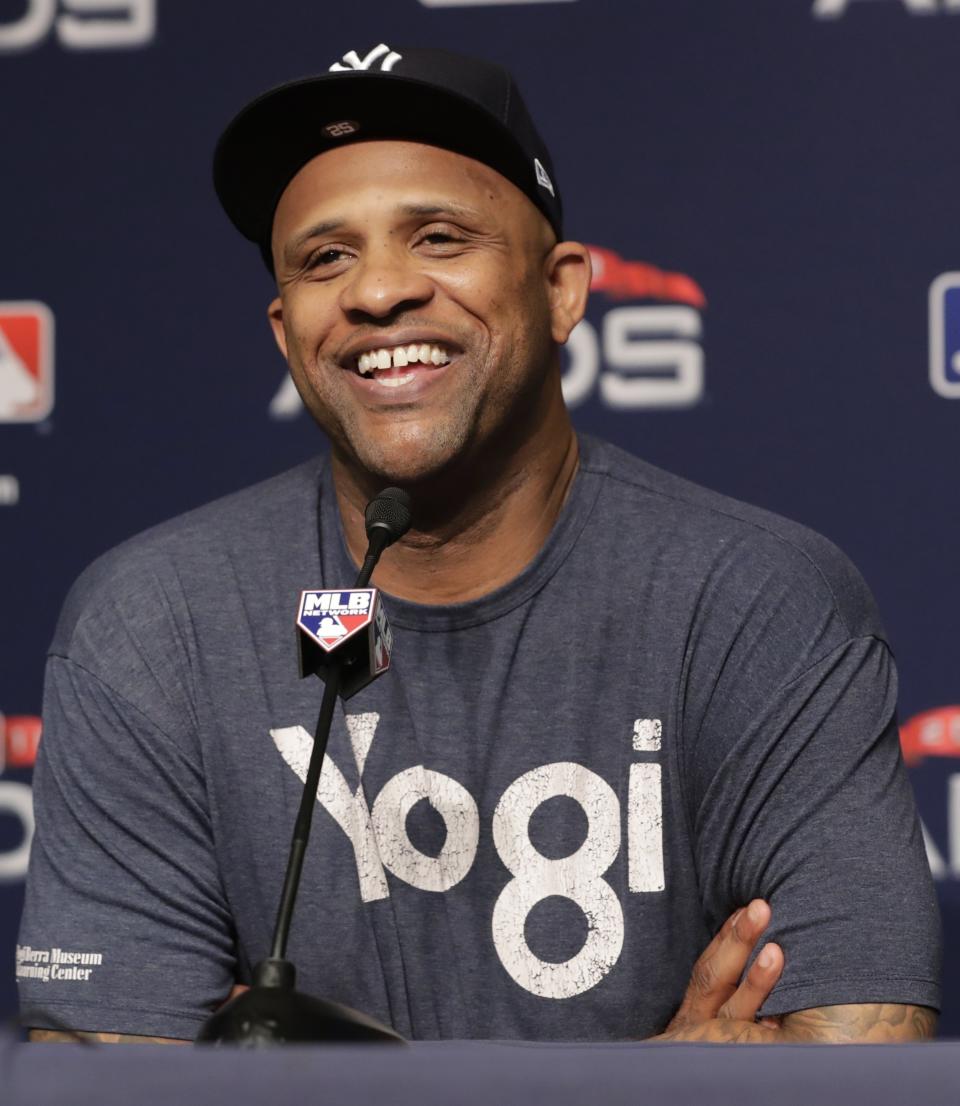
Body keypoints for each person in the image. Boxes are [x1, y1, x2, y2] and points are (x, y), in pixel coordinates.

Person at [19, 45, 940, 1045]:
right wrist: (656, 1081)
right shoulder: (152, 622)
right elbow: (107, 1074)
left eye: (440, 237)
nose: (377, 292)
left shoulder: (758, 600)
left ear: (562, 290)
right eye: (327, 257)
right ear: (287, 333)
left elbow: (860, 1036)